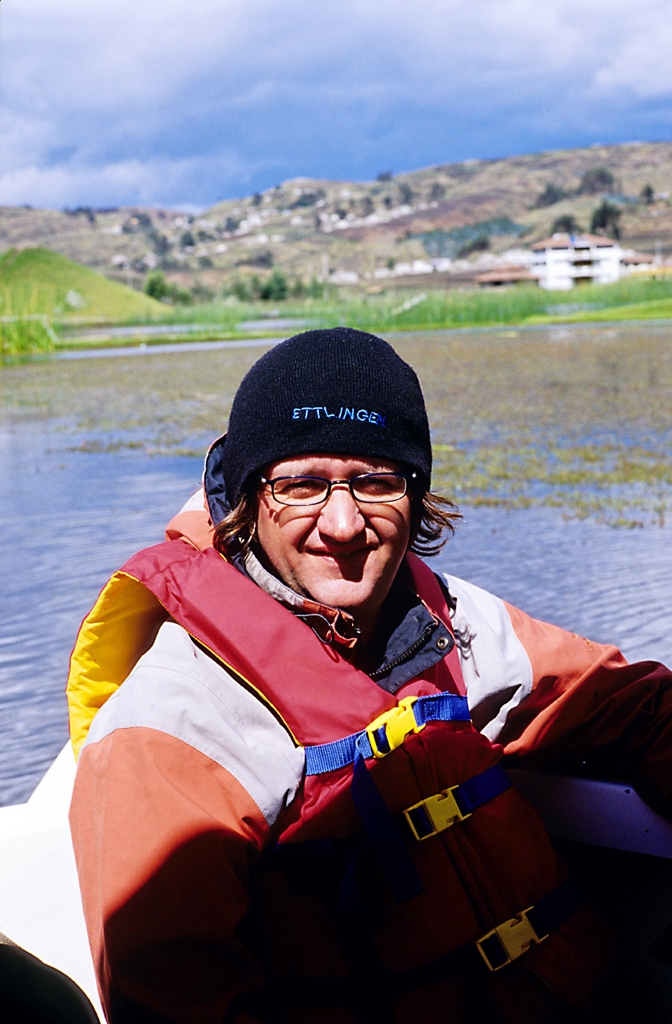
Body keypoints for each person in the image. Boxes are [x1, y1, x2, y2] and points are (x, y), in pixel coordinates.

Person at [68, 328, 672, 1024]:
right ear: (248, 499)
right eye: (301, 485)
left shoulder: (447, 616)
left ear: (415, 495)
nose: (343, 523)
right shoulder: (168, 729)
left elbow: (629, 703)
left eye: (376, 482)